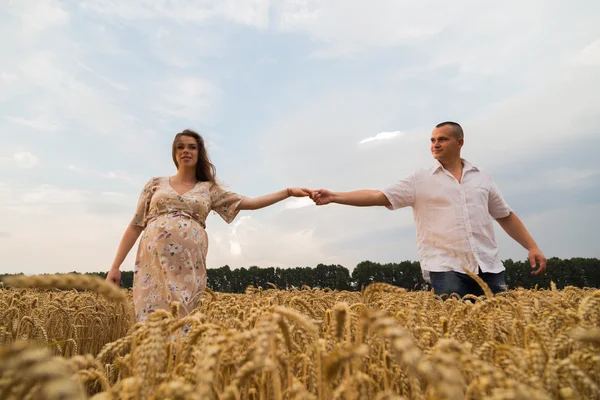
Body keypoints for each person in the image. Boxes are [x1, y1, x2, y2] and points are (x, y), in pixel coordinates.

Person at [310, 121, 547, 298]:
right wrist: (335, 196)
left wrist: (532, 246)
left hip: (489, 266)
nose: (435, 144)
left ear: (460, 143)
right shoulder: (420, 179)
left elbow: (504, 216)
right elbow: (380, 196)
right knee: (455, 334)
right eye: (432, 140)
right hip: (446, 268)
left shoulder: (482, 178)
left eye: (442, 139)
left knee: (500, 330)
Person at [106, 129, 311, 321]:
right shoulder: (155, 184)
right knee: (151, 318)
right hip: (153, 263)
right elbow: (135, 225)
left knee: (185, 318)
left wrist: (288, 192)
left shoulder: (208, 189)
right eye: (181, 147)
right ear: (174, 153)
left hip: (189, 264)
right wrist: (115, 266)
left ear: (199, 152)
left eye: (192, 147)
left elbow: (250, 203)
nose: (186, 150)